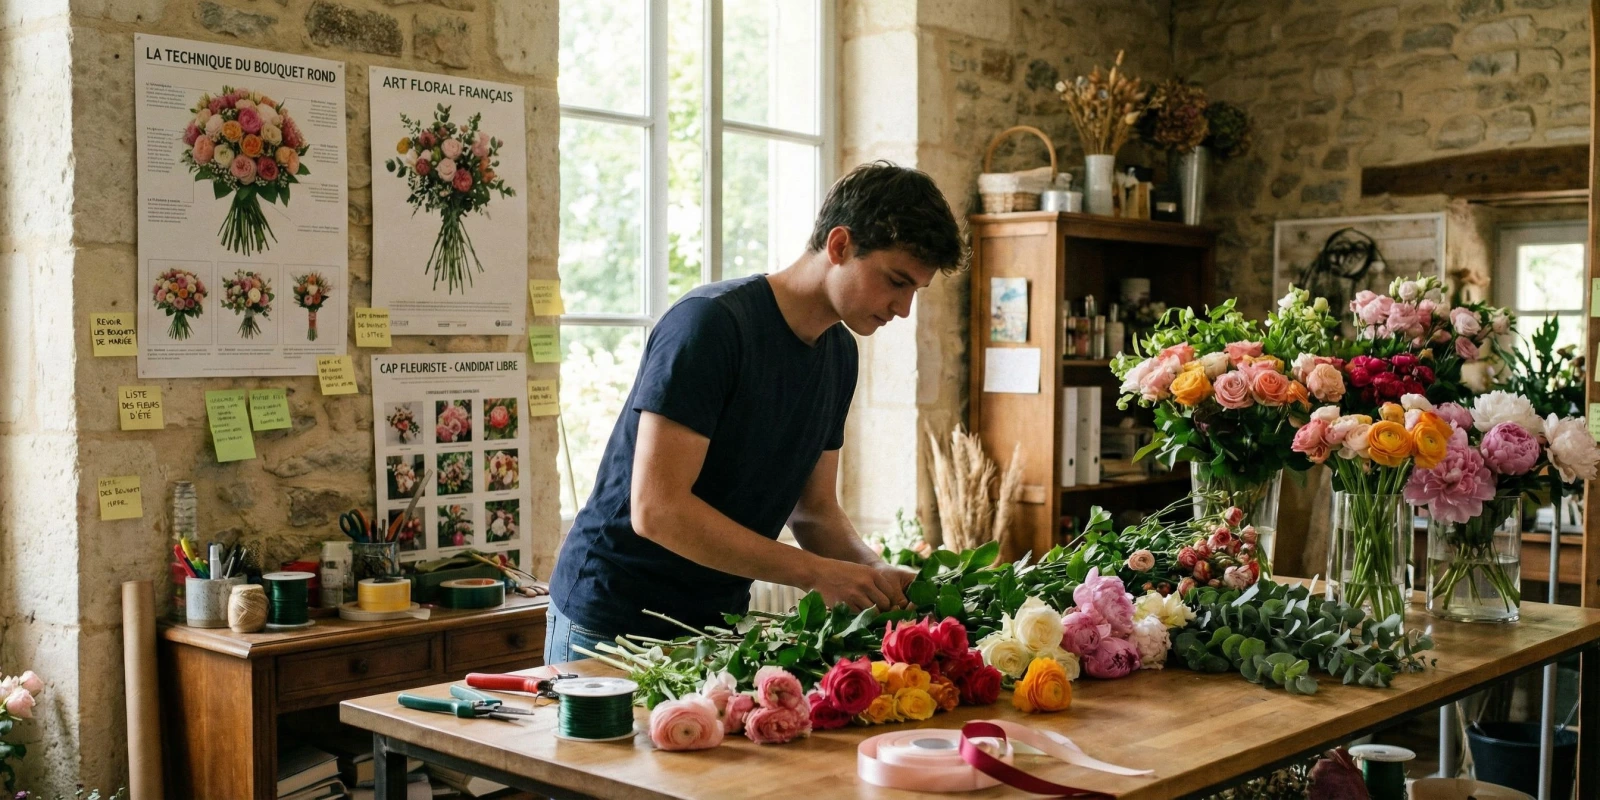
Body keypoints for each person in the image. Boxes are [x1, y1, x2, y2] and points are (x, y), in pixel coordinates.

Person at [545, 161, 967, 665]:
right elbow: (657, 510)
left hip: (715, 626)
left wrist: (875, 573)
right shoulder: (710, 325)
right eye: (896, 281)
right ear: (839, 246)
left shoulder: (839, 355)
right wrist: (815, 572)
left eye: (914, 291)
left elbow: (813, 511)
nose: (903, 309)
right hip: (611, 620)